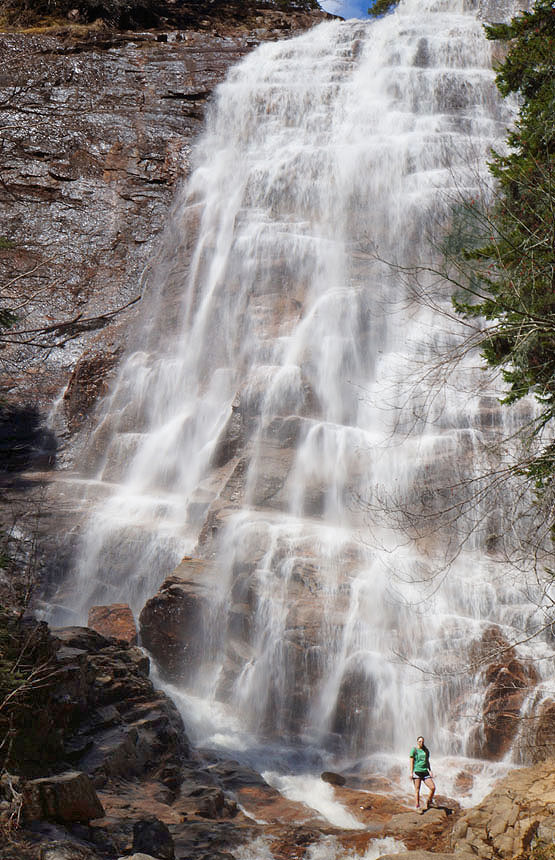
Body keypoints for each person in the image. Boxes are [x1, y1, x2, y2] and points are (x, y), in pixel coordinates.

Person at [409, 735, 435, 811]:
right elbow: (411, 761)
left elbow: (427, 761)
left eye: (422, 741)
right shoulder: (414, 750)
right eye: (420, 741)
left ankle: (429, 802)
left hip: (425, 772)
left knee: (433, 787)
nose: (421, 742)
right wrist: (411, 772)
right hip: (417, 771)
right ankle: (417, 806)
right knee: (417, 790)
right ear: (417, 742)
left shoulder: (426, 750)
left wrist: (430, 770)